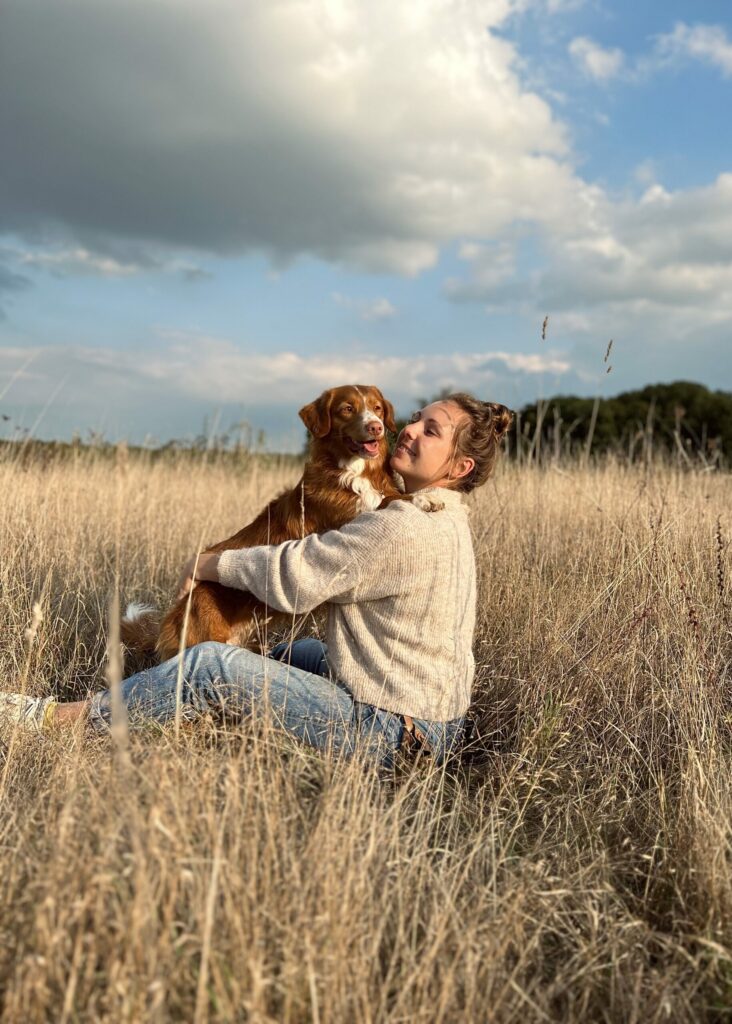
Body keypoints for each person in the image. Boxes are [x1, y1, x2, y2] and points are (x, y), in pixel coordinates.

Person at [1, 394, 512, 768]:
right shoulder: (445, 519)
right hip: (433, 721)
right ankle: (175, 695)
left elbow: (296, 576)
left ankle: (61, 721)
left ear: (459, 465)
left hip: (390, 733)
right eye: (419, 417)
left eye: (432, 431)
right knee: (300, 651)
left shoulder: (401, 527)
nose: (409, 429)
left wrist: (208, 565)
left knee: (212, 666)